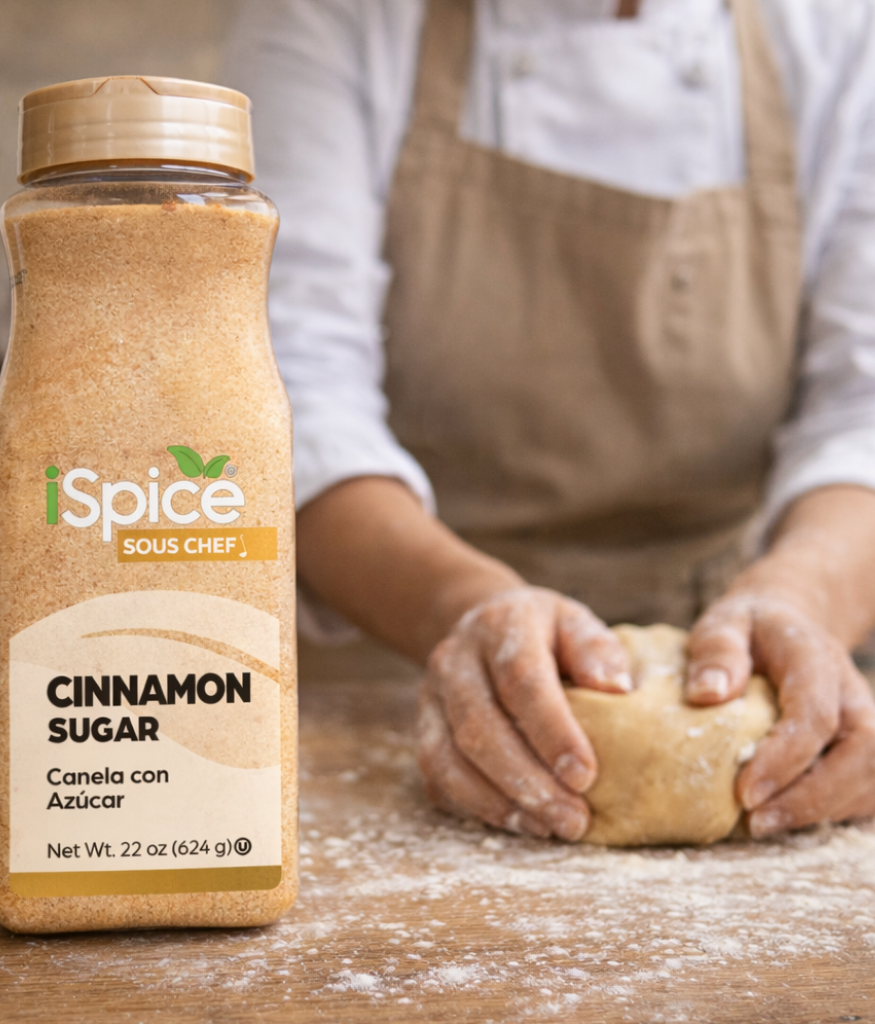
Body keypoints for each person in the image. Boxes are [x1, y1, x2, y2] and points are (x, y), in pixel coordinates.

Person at [222, 0, 875, 842]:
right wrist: (460, 610)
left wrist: (804, 600)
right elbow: (282, 393)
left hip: (744, 677)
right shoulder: (336, 16)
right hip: (393, 672)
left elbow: (861, 405)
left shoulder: (840, 31)